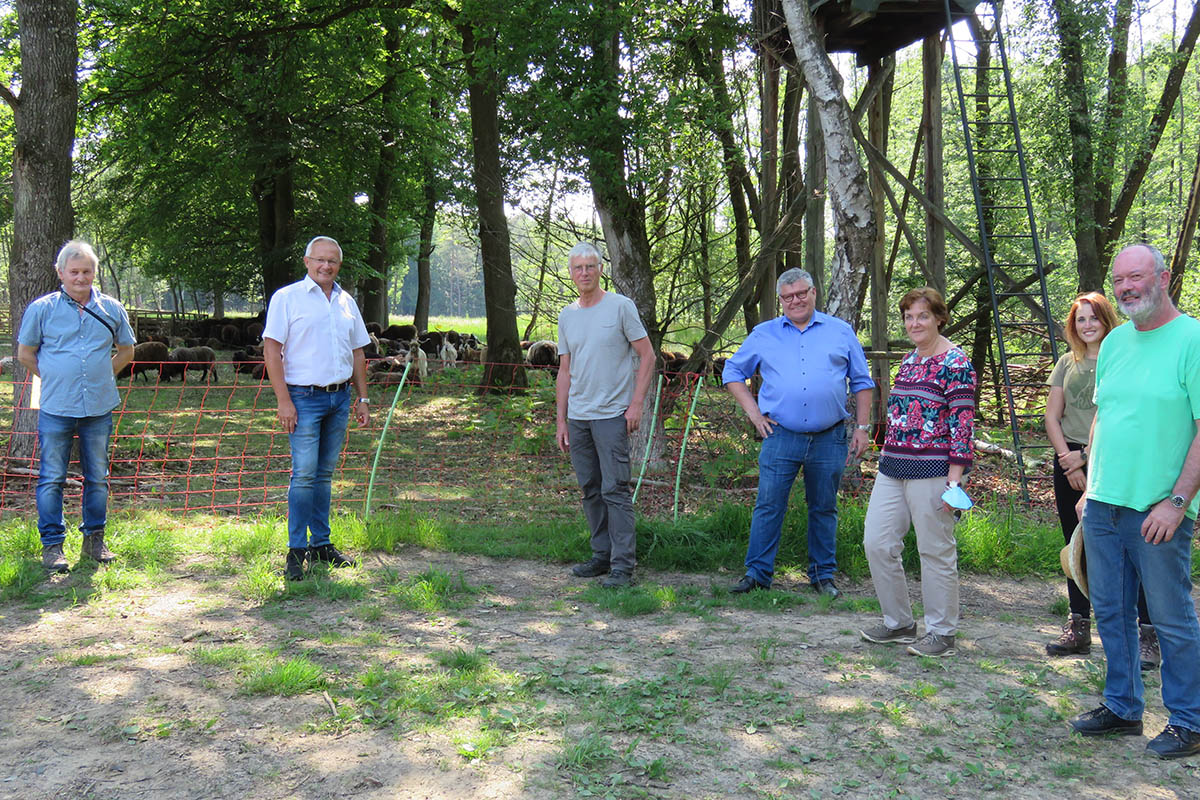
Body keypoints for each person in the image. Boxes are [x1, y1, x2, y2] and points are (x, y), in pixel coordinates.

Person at [1069, 243, 1200, 760]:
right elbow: (1104, 419)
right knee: (1111, 612)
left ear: (1163, 278)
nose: (1125, 287)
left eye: (1136, 277)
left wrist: (1177, 502)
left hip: (1157, 509)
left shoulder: (1192, 339)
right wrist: (1090, 489)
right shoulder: (1117, 343)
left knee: (1170, 619)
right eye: (1119, 279)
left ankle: (1189, 721)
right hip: (1104, 504)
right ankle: (1122, 706)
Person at [722, 268, 874, 598]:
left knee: (823, 507)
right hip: (781, 435)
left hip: (829, 436)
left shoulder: (840, 331)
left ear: (814, 292)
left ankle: (822, 576)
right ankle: (758, 574)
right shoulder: (764, 334)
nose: (796, 301)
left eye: (801, 293)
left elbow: (862, 382)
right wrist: (753, 411)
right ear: (780, 301)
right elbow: (732, 371)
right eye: (788, 297)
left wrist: (863, 429)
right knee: (768, 505)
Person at [1043, 292, 1160, 668]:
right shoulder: (1066, 363)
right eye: (1080, 319)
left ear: (1107, 319)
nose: (1087, 325)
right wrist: (1069, 461)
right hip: (1069, 462)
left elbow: (1122, 414)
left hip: (1113, 460)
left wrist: (1088, 458)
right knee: (1075, 545)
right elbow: (1052, 416)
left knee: (1129, 544)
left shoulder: (1123, 359)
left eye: (1093, 318)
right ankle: (1078, 626)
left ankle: (1147, 633)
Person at [860, 287, 976, 658]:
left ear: (939, 318)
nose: (915, 323)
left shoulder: (956, 363)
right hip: (893, 465)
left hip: (934, 469)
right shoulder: (909, 361)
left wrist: (954, 481)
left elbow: (962, 425)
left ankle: (942, 633)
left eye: (922, 316)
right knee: (877, 542)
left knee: (935, 550)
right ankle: (899, 623)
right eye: (909, 316)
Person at [17, 240, 135, 572]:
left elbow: (126, 350)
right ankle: (52, 546)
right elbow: (26, 354)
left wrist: (104, 376)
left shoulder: (112, 309)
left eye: (86, 271)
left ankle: (94, 541)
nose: (81, 278)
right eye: (74, 272)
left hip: (98, 407)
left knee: (97, 476)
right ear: (60, 273)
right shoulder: (42, 309)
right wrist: (55, 377)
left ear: (94, 273)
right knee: (51, 477)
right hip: (56, 407)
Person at [263, 236, 371, 581]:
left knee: (324, 475)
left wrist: (363, 397)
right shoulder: (287, 298)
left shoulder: (345, 301)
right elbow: (272, 349)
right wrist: (284, 400)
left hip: (339, 399)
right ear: (307, 261)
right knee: (304, 475)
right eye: (320, 260)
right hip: (303, 399)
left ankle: (321, 544)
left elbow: (357, 353)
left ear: (339, 265)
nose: (326, 266)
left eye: (333, 261)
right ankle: (296, 550)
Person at [556, 242, 655, 589]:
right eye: (578, 268)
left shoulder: (620, 307)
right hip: (579, 417)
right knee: (590, 489)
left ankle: (623, 565)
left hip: (612, 414)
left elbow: (648, 356)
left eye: (590, 267)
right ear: (571, 273)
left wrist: (637, 403)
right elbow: (565, 371)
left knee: (615, 489)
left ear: (601, 270)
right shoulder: (567, 315)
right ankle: (601, 555)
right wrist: (561, 419)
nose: (584, 273)